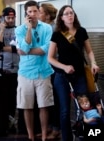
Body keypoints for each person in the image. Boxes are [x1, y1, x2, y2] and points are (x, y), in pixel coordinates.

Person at [48, 5, 100, 141]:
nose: (70, 15)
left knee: (85, 108)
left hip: (80, 75)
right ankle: (67, 138)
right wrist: (64, 67)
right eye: (66, 14)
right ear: (61, 17)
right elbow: (50, 58)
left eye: (71, 13)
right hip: (62, 76)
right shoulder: (57, 34)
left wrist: (93, 62)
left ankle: (85, 135)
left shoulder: (82, 31)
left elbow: (89, 51)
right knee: (65, 111)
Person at [15, 1, 54, 141]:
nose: (32, 14)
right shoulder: (20, 29)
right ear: (26, 14)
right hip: (25, 72)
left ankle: (44, 135)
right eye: (29, 12)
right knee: (27, 106)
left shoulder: (47, 28)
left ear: (38, 11)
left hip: (43, 71)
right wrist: (29, 29)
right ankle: (30, 135)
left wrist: (27, 51)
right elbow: (23, 49)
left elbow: (46, 49)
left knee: (44, 105)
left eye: (35, 11)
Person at [0, 7, 19, 132]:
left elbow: (20, 48)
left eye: (13, 18)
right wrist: (2, 31)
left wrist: (6, 47)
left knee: (13, 97)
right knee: (2, 97)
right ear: (3, 18)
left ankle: (12, 121)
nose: (11, 20)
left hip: (17, 69)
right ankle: (2, 122)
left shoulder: (19, 30)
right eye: (8, 18)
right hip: (1, 68)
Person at [38, 3, 60, 140]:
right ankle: (50, 128)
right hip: (46, 68)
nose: (38, 14)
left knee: (54, 100)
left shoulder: (52, 29)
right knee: (48, 99)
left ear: (46, 15)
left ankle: (56, 129)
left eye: (40, 12)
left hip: (53, 68)